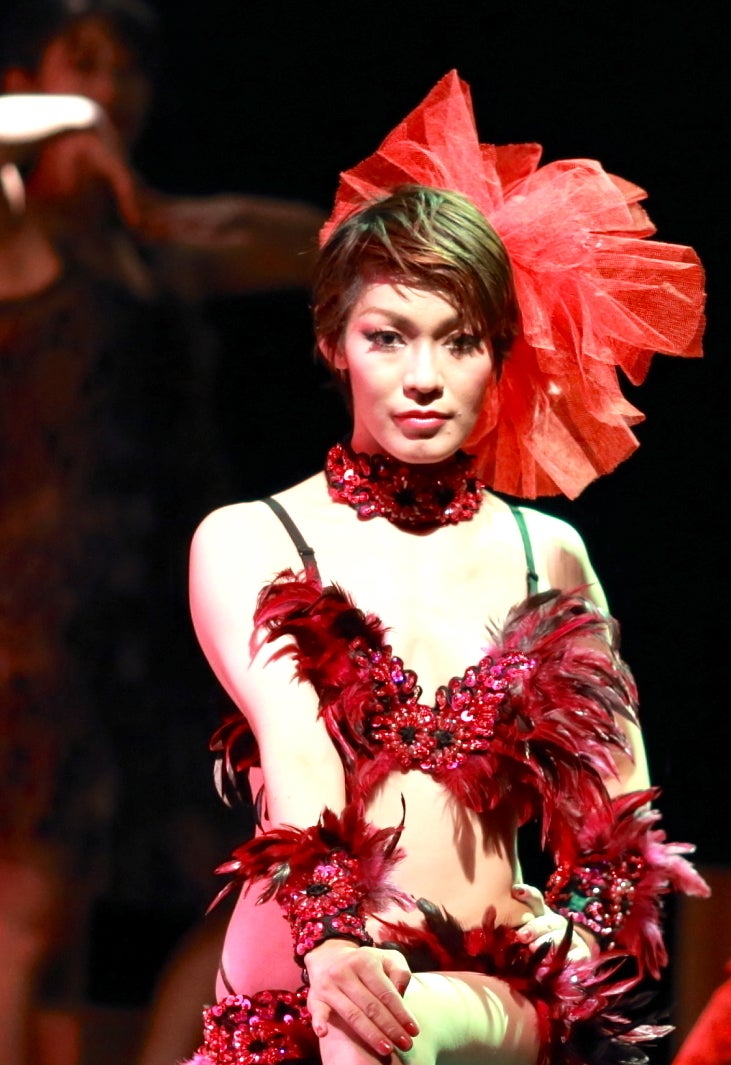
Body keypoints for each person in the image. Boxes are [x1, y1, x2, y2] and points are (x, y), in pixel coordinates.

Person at [186, 71, 709, 1065]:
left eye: (458, 341)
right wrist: (335, 942)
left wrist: (583, 936)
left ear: (499, 356)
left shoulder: (545, 553)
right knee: (359, 1023)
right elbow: (298, 753)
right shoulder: (251, 537)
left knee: (385, 1034)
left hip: (483, 1004)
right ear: (334, 344)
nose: (423, 378)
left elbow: (620, 815)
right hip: (298, 986)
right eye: (388, 338)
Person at [0, 3, 325, 1060]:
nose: (111, 91)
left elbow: (326, 241)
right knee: (28, 911)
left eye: (127, 71)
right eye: (83, 65)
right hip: (38, 624)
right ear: (23, 81)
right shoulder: (15, 228)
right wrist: (65, 127)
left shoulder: (157, 239)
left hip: (161, 623)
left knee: (258, 876)